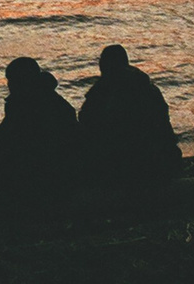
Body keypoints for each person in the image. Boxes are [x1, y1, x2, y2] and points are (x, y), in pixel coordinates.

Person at [0, 58, 77, 204]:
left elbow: (23, 139)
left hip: (41, 170)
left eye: (12, 80)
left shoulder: (31, 106)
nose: (9, 85)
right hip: (51, 168)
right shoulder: (43, 101)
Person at [76, 44, 181, 191]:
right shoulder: (145, 86)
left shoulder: (110, 92)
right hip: (159, 157)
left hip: (136, 162)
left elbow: (91, 125)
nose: (100, 65)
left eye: (102, 61)